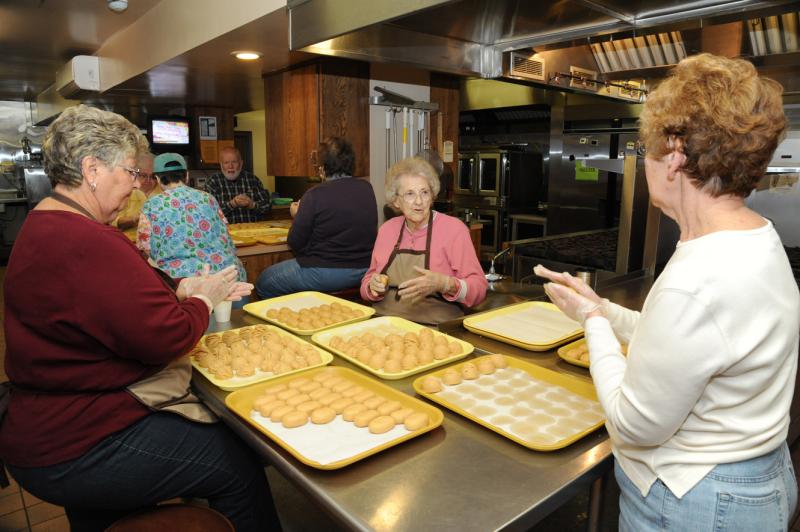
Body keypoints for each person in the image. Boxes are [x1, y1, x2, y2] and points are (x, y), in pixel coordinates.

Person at [537, 53, 799, 531]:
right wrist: (602, 311)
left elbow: (634, 424)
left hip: (697, 501)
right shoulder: (756, 237)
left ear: (675, 155)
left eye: (645, 149)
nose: (645, 162)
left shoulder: (699, 276)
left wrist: (594, 327)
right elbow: (688, 346)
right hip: (754, 479)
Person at [0, 104, 278, 532]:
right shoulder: (87, 239)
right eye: (130, 172)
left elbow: (108, 306)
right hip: (80, 439)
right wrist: (201, 301)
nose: (134, 187)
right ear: (92, 169)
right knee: (235, 463)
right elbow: (166, 338)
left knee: (101, 512)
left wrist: (178, 288)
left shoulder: (44, 223)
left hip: (44, 427)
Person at [360, 157, 488, 324]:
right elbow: (367, 282)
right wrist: (372, 287)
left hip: (434, 328)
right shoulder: (387, 230)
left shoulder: (454, 230)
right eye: (410, 194)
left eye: (424, 192)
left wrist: (446, 284)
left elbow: (479, 289)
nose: (419, 201)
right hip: (384, 323)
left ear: (432, 196)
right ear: (396, 201)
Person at [255, 137, 377, 298]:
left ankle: (298, 319)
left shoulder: (315, 194)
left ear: (322, 168)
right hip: (363, 269)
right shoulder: (366, 188)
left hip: (326, 272)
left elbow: (295, 241)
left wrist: (297, 216)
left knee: (264, 282)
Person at [137, 153, 248, 307]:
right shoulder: (208, 198)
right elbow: (225, 235)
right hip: (228, 281)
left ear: (157, 179)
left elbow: (145, 247)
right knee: (238, 328)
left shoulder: (152, 205)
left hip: (188, 288)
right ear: (187, 176)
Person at [205, 146, 271, 224]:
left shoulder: (253, 180)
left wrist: (252, 205)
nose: (230, 166)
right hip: (225, 233)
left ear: (241, 163)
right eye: (226, 162)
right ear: (221, 164)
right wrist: (232, 204)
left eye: (234, 162)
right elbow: (209, 213)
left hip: (252, 230)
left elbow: (267, 207)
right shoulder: (212, 182)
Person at [110, 152, 162, 241]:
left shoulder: (164, 193)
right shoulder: (125, 191)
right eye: (144, 176)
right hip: (128, 242)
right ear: (135, 173)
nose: (148, 181)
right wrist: (135, 219)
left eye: (153, 176)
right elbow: (112, 222)